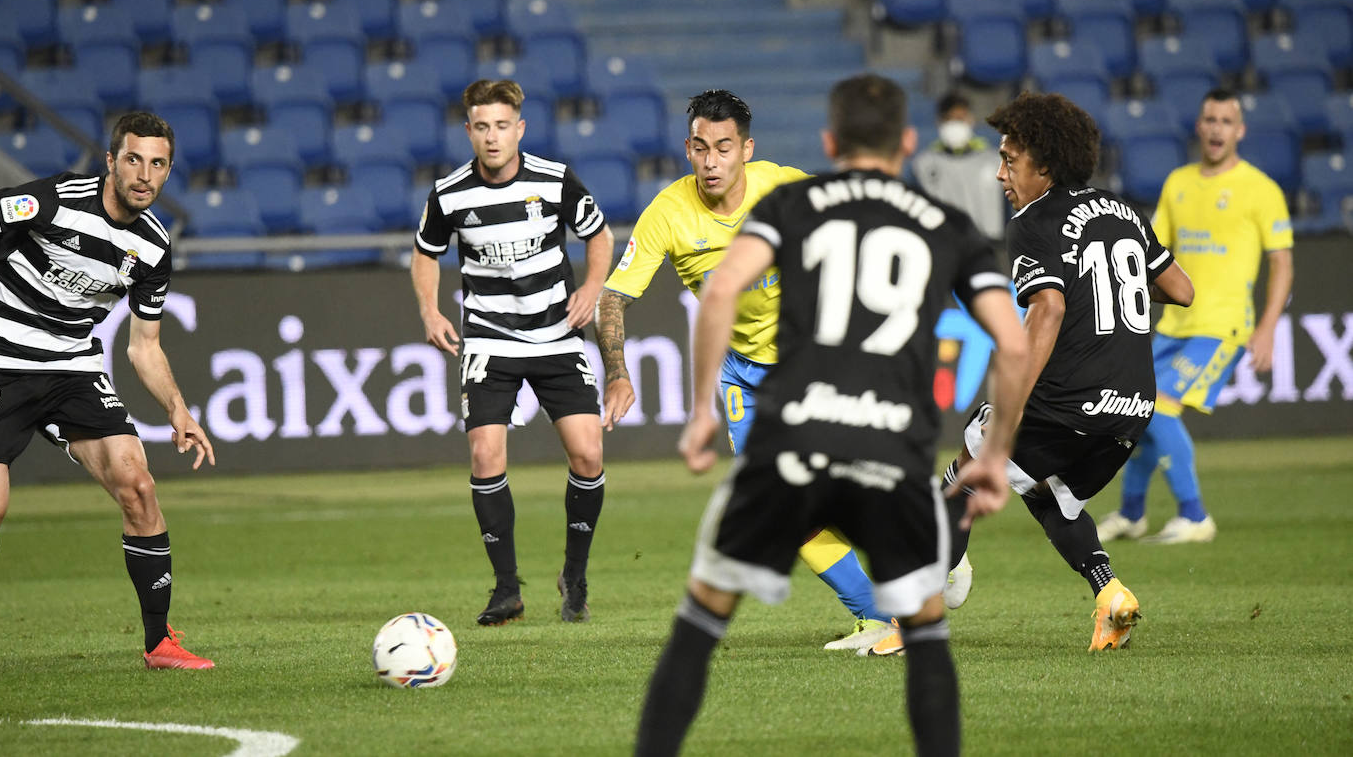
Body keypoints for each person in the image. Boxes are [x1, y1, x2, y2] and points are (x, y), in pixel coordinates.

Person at [635, 74, 1032, 757]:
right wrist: (994, 455)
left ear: (828, 142)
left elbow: (722, 290)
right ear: (907, 143)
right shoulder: (945, 224)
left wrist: (701, 410)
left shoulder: (791, 204)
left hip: (793, 438)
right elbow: (1014, 343)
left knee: (698, 628)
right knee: (926, 641)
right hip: (889, 448)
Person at [596, 89, 900, 653]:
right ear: (688, 148)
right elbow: (613, 297)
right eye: (701, 148)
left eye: (724, 148)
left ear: (746, 149)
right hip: (742, 372)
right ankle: (880, 617)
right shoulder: (668, 212)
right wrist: (617, 371)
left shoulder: (782, 187)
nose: (711, 161)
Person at [939, 92, 1195, 652]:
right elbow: (1181, 289)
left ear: (1045, 165)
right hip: (1133, 407)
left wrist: (1011, 408)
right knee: (1049, 492)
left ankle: (909, 618)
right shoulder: (1124, 211)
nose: (1001, 174)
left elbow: (1048, 310)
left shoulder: (1033, 220)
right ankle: (1110, 594)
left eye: (1010, 160)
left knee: (964, 470)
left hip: (1070, 399)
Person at [0, 111, 216, 669]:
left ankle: (159, 643)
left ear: (168, 171)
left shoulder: (153, 247)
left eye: (157, 164)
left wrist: (178, 409)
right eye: (133, 159)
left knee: (138, 485)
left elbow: (144, 347)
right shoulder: (57, 199)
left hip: (71, 368)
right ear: (111, 161)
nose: (144, 175)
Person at [412, 79, 612, 626]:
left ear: (519, 129)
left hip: (555, 334)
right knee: (485, 456)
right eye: (482, 127)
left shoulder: (554, 180)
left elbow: (599, 235)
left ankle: (574, 575)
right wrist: (430, 310)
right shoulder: (449, 193)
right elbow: (425, 252)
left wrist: (592, 287)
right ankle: (506, 590)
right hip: (489, 339)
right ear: (469, 131)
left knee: (588, 455)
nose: (493, 136)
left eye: (502, 126)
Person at [1098, 88, 1294, 545]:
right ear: (1199, 126)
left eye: (1226, 121)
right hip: (1173, 325)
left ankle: (1194, 515)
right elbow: (1154, 252)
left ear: (1239, 131)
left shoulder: (1261, 189)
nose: (1216, 128)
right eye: (1210, 119)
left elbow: (1282, 262)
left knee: (1160, 409)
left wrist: (1268, 327)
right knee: (1138, 414)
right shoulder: (1178, 183)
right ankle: (1131, 513)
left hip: (1223, 326)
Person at [911, 91, 1005, 240]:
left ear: (971, 119)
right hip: (944, 243)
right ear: (939, 122)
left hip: (989, 243)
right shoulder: (923, 164)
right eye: (949, 119)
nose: (955, 124)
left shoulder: (995, 161)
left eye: (960, 118)